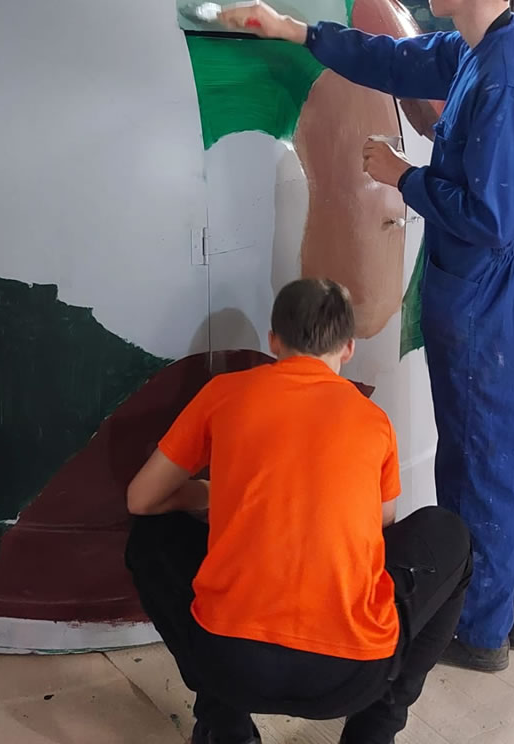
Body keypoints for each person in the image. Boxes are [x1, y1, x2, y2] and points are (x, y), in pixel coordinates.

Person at [214, 0, 514, 672]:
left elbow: (490, 217)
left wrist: (402, 176)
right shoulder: (483, 46)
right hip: (496, 280)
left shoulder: (504, 75)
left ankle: (479, 630)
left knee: (480, 456)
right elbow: (398, 61)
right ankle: (513, 604)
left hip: (492, 286)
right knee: (502, 450)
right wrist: (296, 32)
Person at [125, 278, 471, 744]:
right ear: (348, 348)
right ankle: (374, 732)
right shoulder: (373, 420)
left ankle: (225, 730)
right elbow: (382, 528)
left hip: (229, 667)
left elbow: (140, 499)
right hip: (351, 676)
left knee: (149, 535)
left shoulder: (223, 393)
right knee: (450, 535)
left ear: (273, 341)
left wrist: (206, 494)